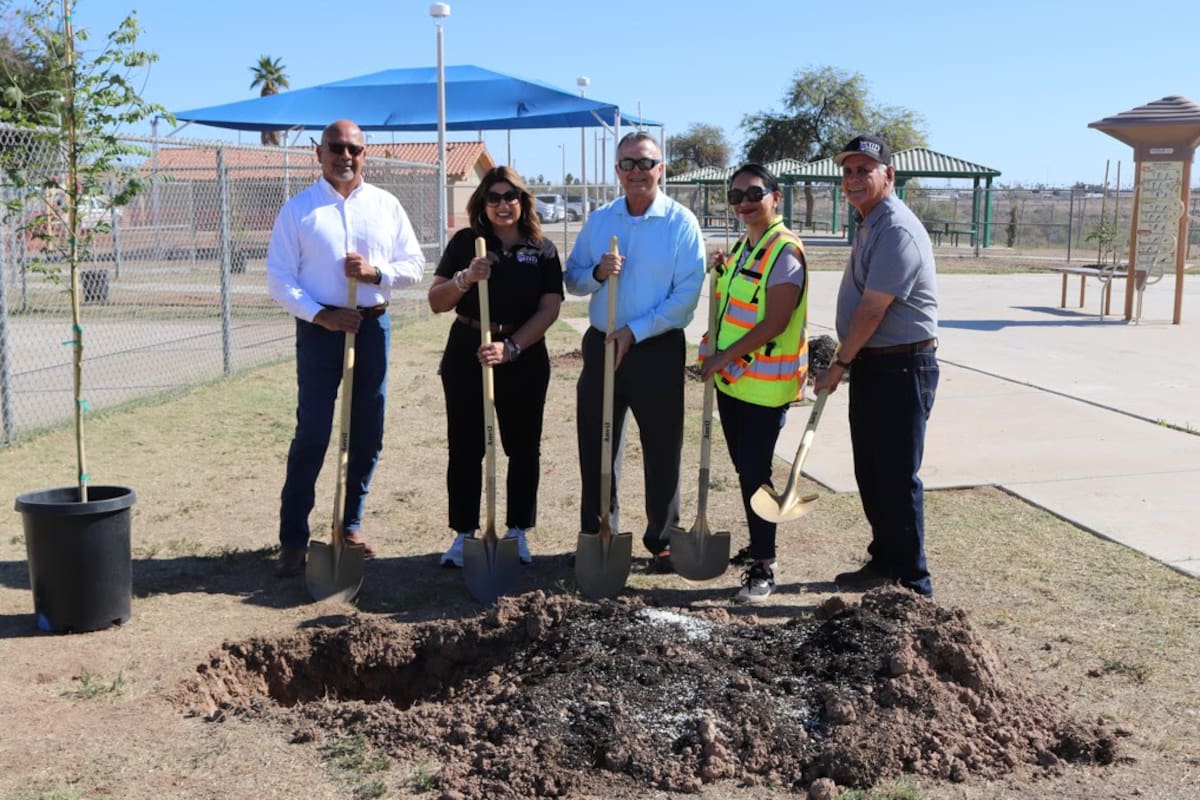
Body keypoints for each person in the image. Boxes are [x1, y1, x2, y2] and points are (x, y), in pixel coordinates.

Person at [267, 119, 425, 578]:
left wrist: (376, 274)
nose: (345, 157)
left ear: (364, 155)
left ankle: (349, 524)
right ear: (319, 153)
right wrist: (322, 316)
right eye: (336, 148)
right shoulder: (299, 211)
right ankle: (293, 539)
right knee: (313, 432)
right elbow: (279, 279)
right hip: (320, 330)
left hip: (371, 327)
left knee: (367, 431)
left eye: (354, 149)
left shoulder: (385, 206)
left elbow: (415, 264)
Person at [564, 131, 705, 572]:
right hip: (602, 344)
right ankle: (598, 533)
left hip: (656, 348)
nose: (637, 171)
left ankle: (662, 540)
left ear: (660, 169)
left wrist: (636, 331)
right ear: (617, 171)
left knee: (662, 445)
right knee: (597, 442)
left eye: (646, 163)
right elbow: (572, 278)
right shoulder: (600, 221)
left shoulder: (680, 223)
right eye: (628, 164)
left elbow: (686, 296)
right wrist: (597, 272)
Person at [813, 134, 939, 597]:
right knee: (871, 471)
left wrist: (839, 363)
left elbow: (872, 310)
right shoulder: (870, 222)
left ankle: (914, 585)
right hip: (874, 363)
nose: (853, 179)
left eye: (864, 170)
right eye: (847, 172)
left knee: (897, 475)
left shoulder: (897, 228)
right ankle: (886, 561)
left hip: (902, 366)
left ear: (889, 175)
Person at [429, 167, 564, 567]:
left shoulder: (542, 249)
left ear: (523, 201)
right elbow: (437, 301)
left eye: (510, 197)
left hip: (523, 352)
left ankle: (517, 531)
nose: (502, 205)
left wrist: (512, 347)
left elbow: (550, 307)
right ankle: (464, 533)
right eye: (494, 197)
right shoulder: (466, 242)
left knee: (523, 446)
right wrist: (466, 278)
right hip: (468, 348)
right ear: (482, 203)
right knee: (465, 444)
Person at [700, 164, 808, 603]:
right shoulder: (747, 246)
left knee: (756, 473)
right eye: (736, 195)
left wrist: (723, 357)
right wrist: (721, 270)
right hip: (734, 383)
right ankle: (759, 541)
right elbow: (734, 306)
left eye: (754, 193)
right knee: (747, 472)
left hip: (764, 387)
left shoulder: (784, 251)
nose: (744, 202)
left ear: (775, 197)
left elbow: (776, 321)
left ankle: (764, 565)